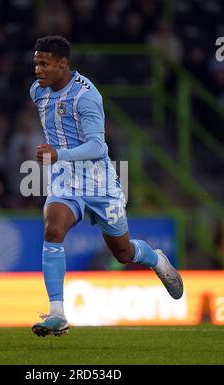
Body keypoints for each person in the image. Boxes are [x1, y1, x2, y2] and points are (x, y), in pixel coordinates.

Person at [29, 35, 183, 337]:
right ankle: (57, 314)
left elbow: (98, 147)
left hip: (100, 183)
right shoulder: (37, 91)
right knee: (53, 228)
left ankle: (156, 258)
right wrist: (58, 158)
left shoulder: (86, 96)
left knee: (123, 253)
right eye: (36, 63)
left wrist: (59, 153)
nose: (38, 70)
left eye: (44, 64)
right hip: (64, 180)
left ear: (63, 64)